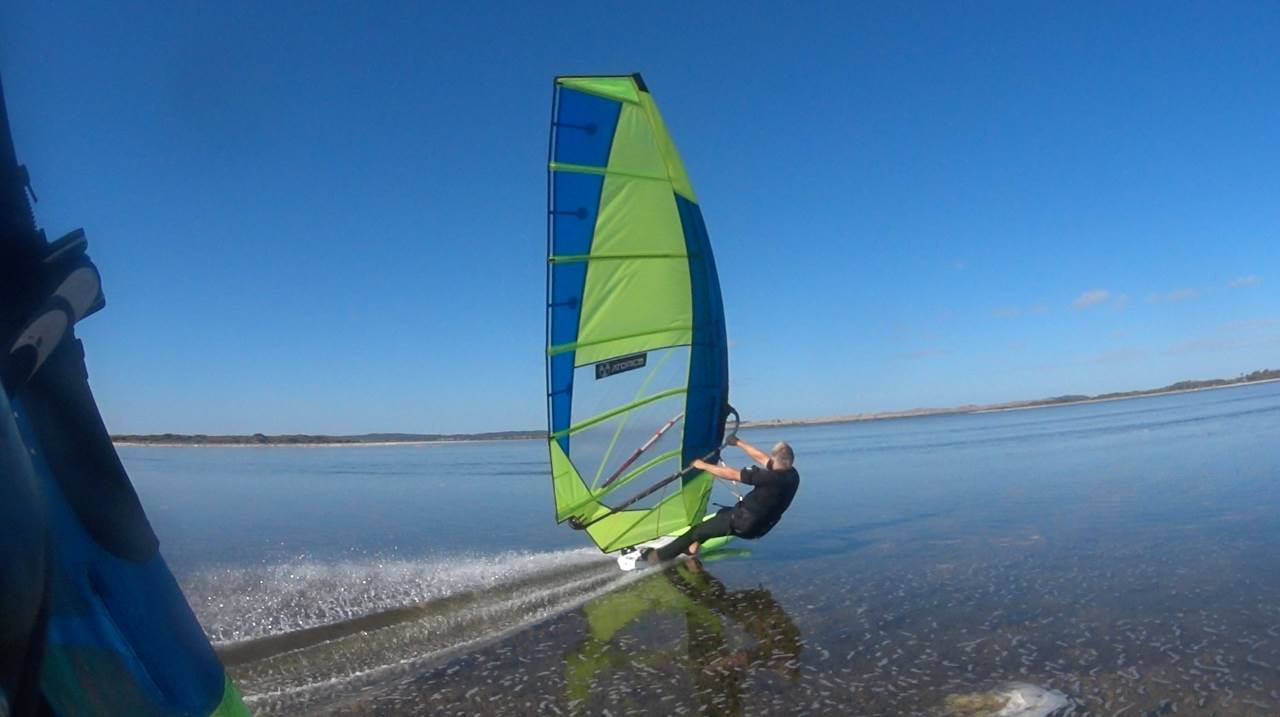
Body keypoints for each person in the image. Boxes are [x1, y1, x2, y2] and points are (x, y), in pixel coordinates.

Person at [643, 437, 799, 564]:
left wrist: (703, 465)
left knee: (694, 532)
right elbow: (763, 458)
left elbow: (732, 474)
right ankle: (692, 549)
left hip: (742, 523)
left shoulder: (767, 477)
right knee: (722, 514)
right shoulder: (793, 475)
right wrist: (738, 442)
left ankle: (656, 558)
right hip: (762, 527)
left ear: (775, 459)